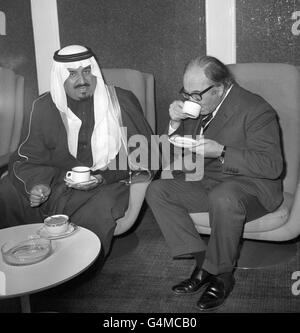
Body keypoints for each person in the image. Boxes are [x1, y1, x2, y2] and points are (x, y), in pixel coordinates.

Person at [146, 56, 283, 311]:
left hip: (252, 187)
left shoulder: (256, 109)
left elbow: (272, 166)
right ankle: (203, 263)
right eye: (185, 93)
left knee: (224, 196)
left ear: (219, 89)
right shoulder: (200, 106)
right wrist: (175, 123)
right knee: (158, 190)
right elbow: (177, 155)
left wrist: (221, 151)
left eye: (195, 94)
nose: (189, 100)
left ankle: (222, 275)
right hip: (210, 180)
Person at [0, 45, 155, 257]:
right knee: (6, 192)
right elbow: (28, 157)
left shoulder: (121, 102)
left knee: (97, 208)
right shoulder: (43, 106)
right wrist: (37, 184)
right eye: (72, 73)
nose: (82, 80)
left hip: (110, 180)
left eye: (87, 71)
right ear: (59, 76)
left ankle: (77, 265)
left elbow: (145, 154)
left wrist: (102, 177)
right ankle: (23, 257)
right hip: (57, 179)